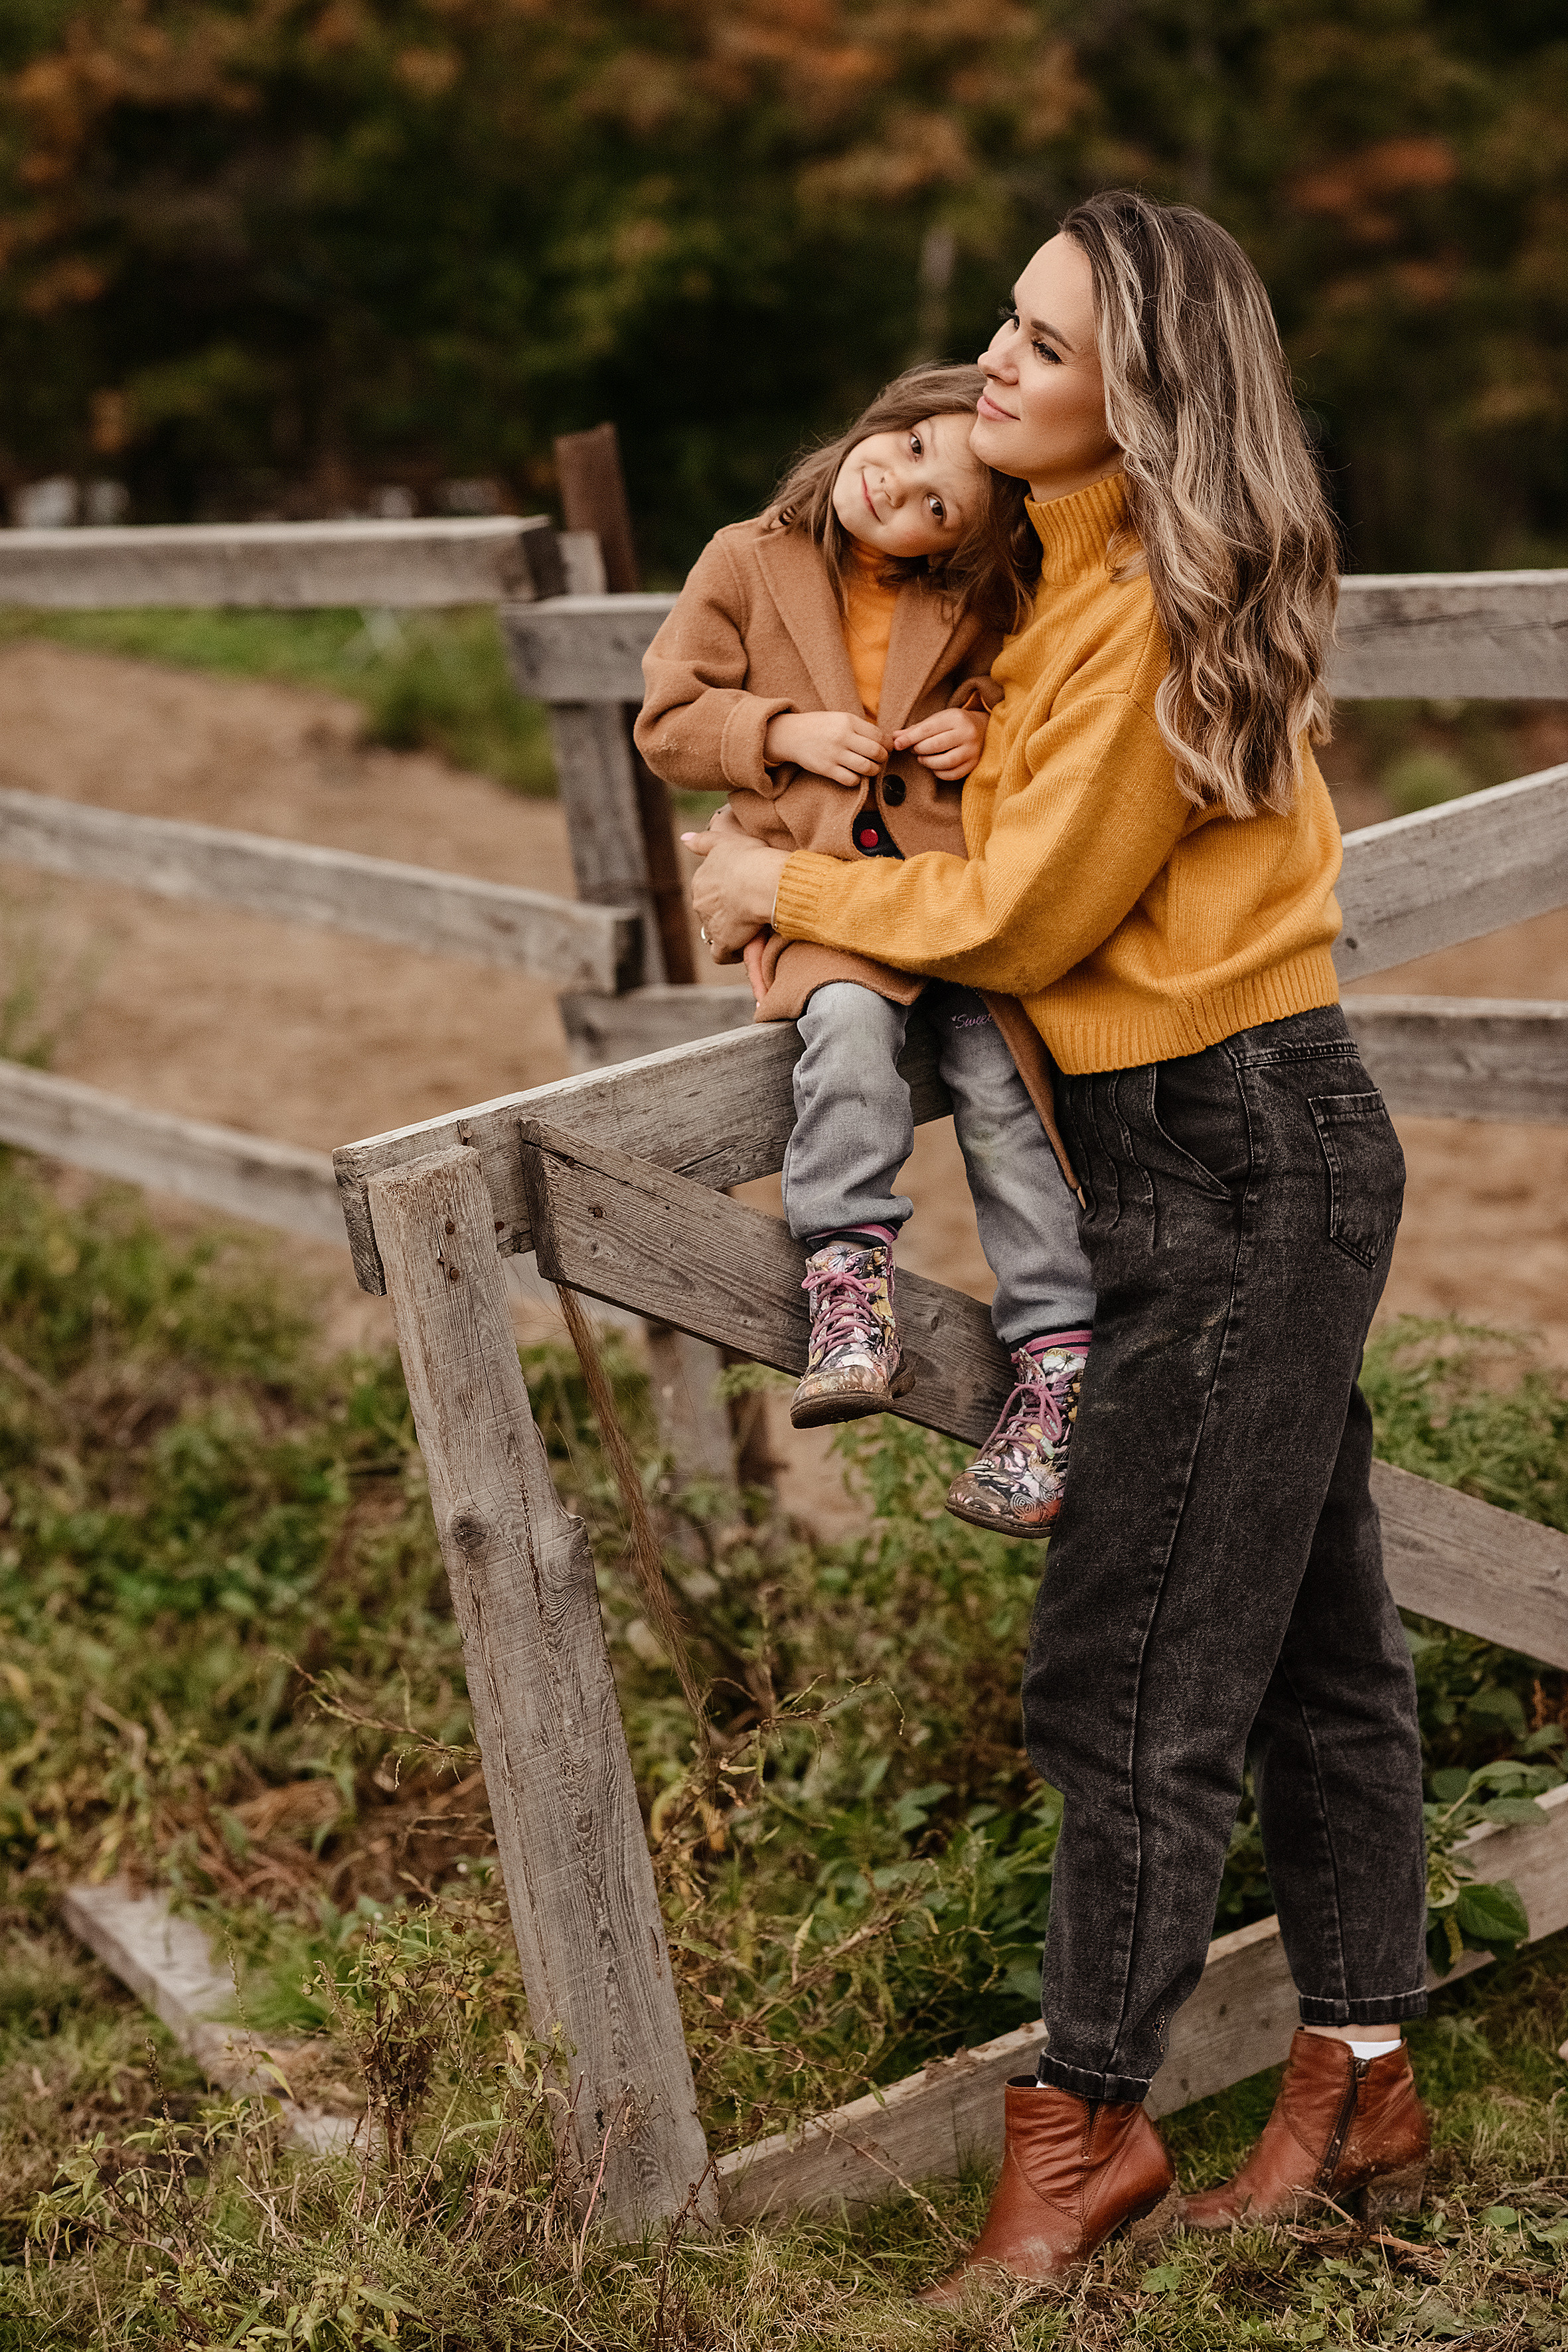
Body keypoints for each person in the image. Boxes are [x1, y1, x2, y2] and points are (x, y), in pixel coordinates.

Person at [684, 191, 1432, 2294]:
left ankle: (1085, 2131)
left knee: (1127, 1665)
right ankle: (1361, 2073)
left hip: (1239, 1152)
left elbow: (1018, 915)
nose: (990, 369)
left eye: (1040, 348)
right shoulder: (1069, 568)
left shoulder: (1144, 612)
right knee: (1309, 1640)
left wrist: (784, 894)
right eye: (1003, 327)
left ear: (1145, 400)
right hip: (1209, 1145)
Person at [636, 364, 1095, 1537]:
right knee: (841, 1035)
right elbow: (670, 724)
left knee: (1001, 1091)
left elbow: (1021, 689)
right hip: (821, 892)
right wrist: (777, 728)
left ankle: (1055, 1356)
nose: (897, 490)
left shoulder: (979, 597)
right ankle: (847, 1280)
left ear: (966, 544)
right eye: (900, 449)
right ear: (871, 427)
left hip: (946, 891)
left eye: (939, 504)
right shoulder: (746, 558)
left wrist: (978, 723)